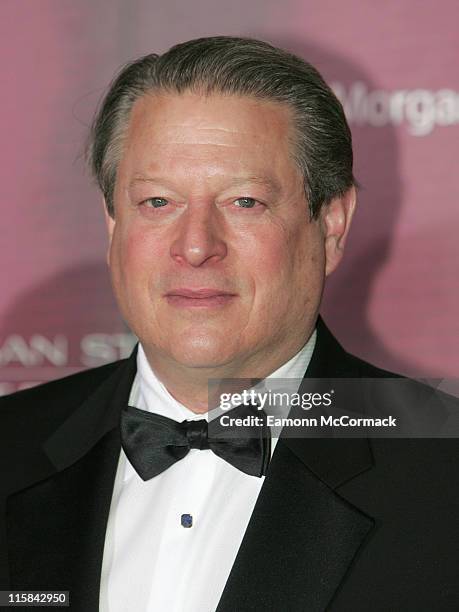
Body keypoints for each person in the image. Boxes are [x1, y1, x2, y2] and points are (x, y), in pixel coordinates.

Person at [0, 36, 458, 612]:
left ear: (332, 225)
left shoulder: (445, 472)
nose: (195, 247)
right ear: (113, 223)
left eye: (244, 202)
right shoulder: (10, 445)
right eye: (158, 202)